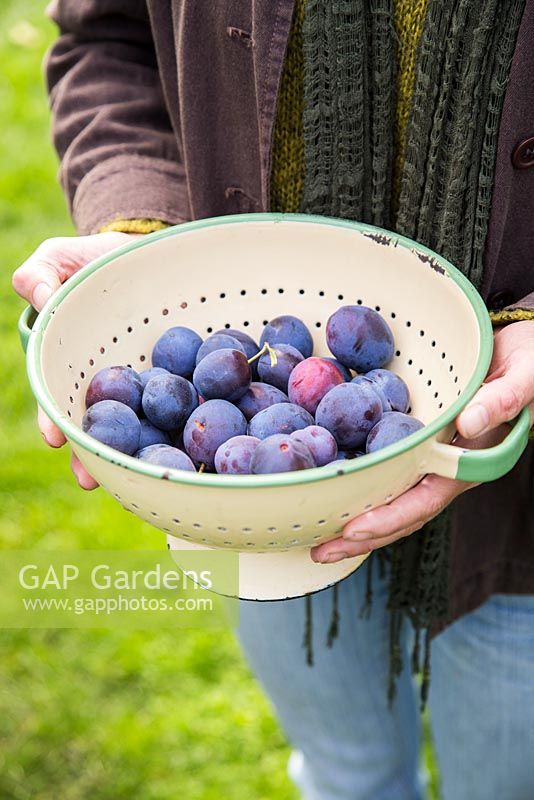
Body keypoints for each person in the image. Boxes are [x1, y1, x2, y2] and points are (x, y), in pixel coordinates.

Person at [12, 2, 534, 798]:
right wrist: (136, 226)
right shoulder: (258, 422)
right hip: (260, 521)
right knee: (345, 773)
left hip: (520, 516)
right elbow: (108, 37)